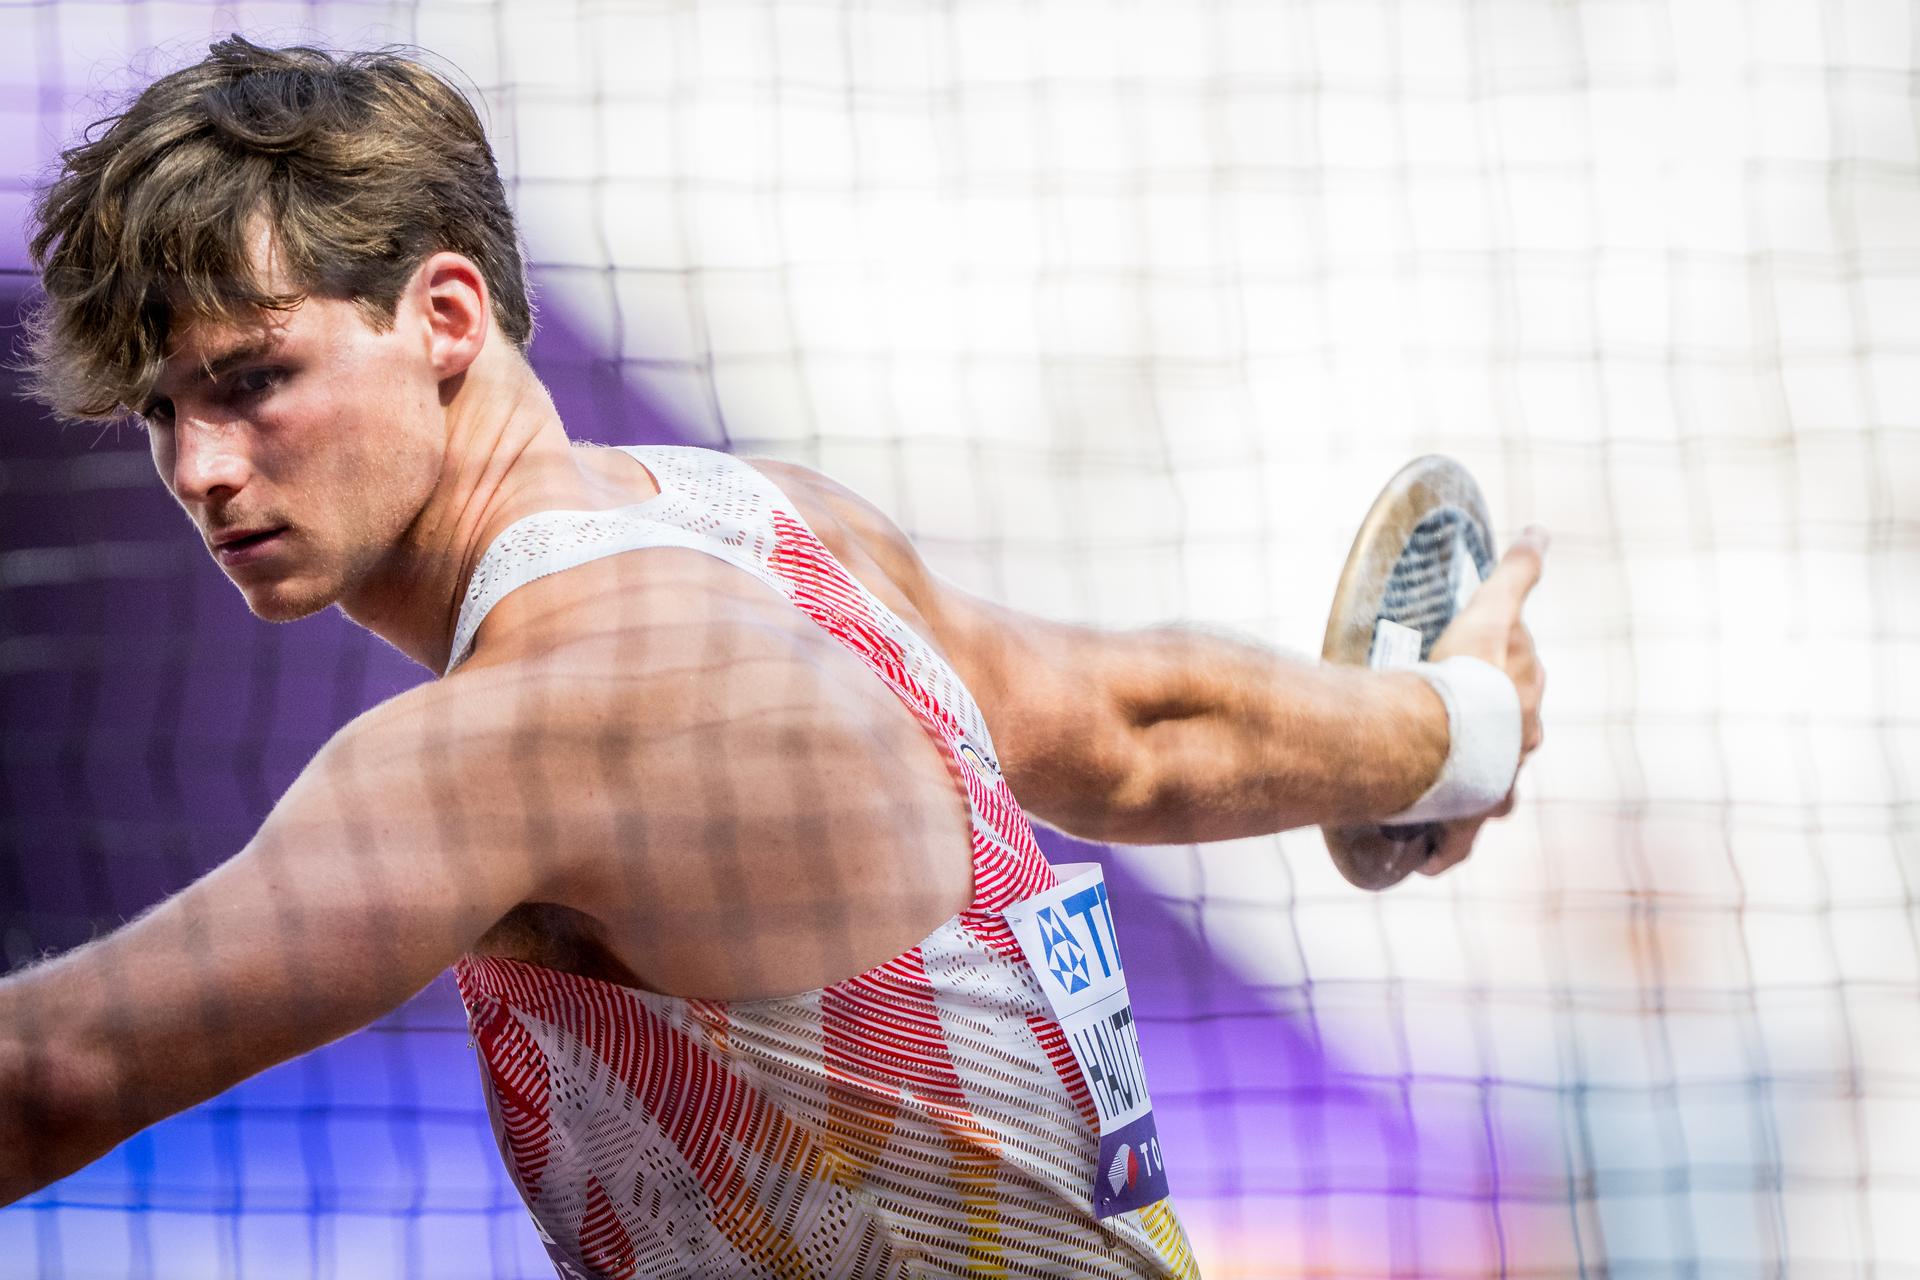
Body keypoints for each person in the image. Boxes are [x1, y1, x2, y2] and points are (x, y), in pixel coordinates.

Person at [0, 36, 1545, 1279]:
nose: (200, 467)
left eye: (250, 379)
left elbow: (51, 1076)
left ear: (448, 315)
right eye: (157, 412)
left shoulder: (519, 735)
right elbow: (1132, 726)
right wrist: (1451, 728)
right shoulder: (774, 526)